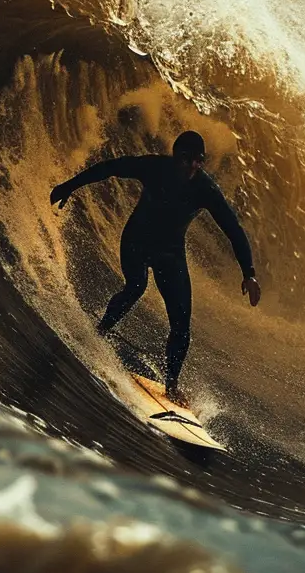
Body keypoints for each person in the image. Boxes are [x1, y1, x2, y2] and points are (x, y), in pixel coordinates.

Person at [50, 131, 261, 401]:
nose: (193, 166)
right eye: (187, 159)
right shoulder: (154, 167)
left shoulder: (205, 189)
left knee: (182, 324)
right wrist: (69, 185)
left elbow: (233, 229)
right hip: (136, 241)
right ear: (176, 156)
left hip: (170, 254)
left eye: (199, 160)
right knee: (136, 287)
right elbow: (110, 168)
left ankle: (171, 385)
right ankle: (99, 331)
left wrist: (249, 274)